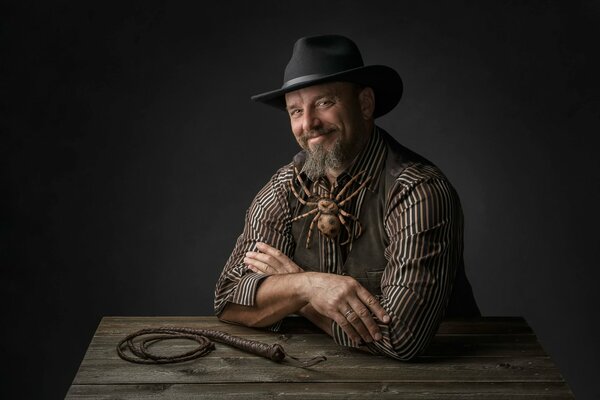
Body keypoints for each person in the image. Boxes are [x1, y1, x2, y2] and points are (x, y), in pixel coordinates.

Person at [214, 34, 479, 360]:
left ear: (365, 104)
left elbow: (402, 338)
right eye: (295, 110)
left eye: (324, 103)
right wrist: (308, 287)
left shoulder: (417, 190)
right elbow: (228, 300)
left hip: (448, 379)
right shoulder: (286, 187)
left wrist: (294, 288)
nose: (308, 123)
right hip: (318, 372)